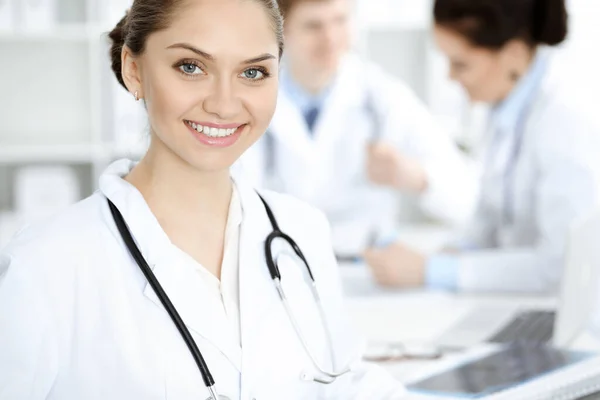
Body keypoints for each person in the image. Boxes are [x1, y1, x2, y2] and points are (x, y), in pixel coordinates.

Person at [0, 0, 406, 398]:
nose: (224, 104)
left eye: (253, 71)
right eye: (191, 67)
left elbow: (341, 381)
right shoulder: (45, 264)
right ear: (133, 69)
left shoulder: (302, 230)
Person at [365, 0, 600, 293]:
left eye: (461, 64)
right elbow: (489, 221)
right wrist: (441, 255)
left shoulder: (565, 118)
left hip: (565, 316)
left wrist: (431, 270)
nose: (450, 77)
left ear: (513, 54)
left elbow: (560, 266)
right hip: (522, 303)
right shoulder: (505, 106)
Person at [233, 0, 478, 257]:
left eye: (340, 20)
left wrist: (415, 176)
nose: (330, 38)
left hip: (365, 272)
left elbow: (467, 199)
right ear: (282, 33)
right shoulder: (251, 100)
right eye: (313, 26)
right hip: (279, 264)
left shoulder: (384, 99)